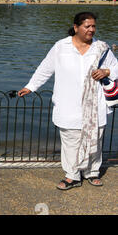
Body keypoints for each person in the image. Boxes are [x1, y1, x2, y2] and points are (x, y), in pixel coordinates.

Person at [18, 12, 118, 190]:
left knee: (94, 139)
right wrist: (31, 86)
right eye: (87, 26)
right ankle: (72, 175)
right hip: (68, 104)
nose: (91, 30)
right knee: (71, 142)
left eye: (93, 26)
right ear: (76, 27)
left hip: (95, 105)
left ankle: (92, 172)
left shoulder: (102, 48)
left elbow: (115, 68)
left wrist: (106, 72)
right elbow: (45, 68)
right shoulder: (61, 47)